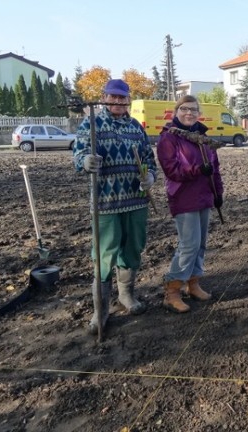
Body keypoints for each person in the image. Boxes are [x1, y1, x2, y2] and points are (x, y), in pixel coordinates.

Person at [73, 79, 157, 334]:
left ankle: (126, 296)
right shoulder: (92, 125)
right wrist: (86, 161)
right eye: (113, 97)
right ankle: (101, 312)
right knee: (104, 256)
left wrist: (150, 175)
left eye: (122, 98)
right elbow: (78, 155)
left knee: (132, 249)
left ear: (128, 100)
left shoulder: (135, 127)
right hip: (106, 203)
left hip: (135, 201)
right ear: (104, 97)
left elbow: (148, 159)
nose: (118, 102)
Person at [157, 95, 223, 313]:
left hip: (204, 196)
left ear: (199, 113)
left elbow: (214, 168)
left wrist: (218, 193)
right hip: (183, 196)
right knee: (188, 245)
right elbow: (172, 170)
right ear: (176, 111)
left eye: (194, 110)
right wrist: (196, 170)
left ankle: (193, 284)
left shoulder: (202, 137)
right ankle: (172, 290)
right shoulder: (169, 138)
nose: (189, 113)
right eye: (184, 109)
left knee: (201, 243)